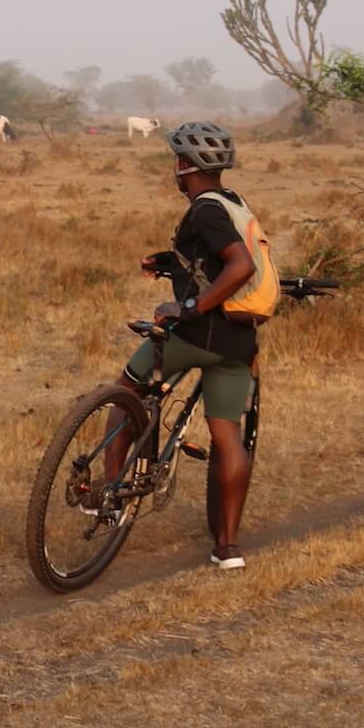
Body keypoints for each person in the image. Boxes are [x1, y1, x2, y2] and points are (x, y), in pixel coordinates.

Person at [109, 121, 259, 569]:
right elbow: (213, 257)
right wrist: (167, 262)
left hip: (198, 333)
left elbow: (240, 265)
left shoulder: (204, 211)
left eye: (176, 161)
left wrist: (189, 308)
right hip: (237, 341)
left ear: (184, 165)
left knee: (125, 392)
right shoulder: (234, 204)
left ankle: (110, 498)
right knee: (227, 434)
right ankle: (227, 547)